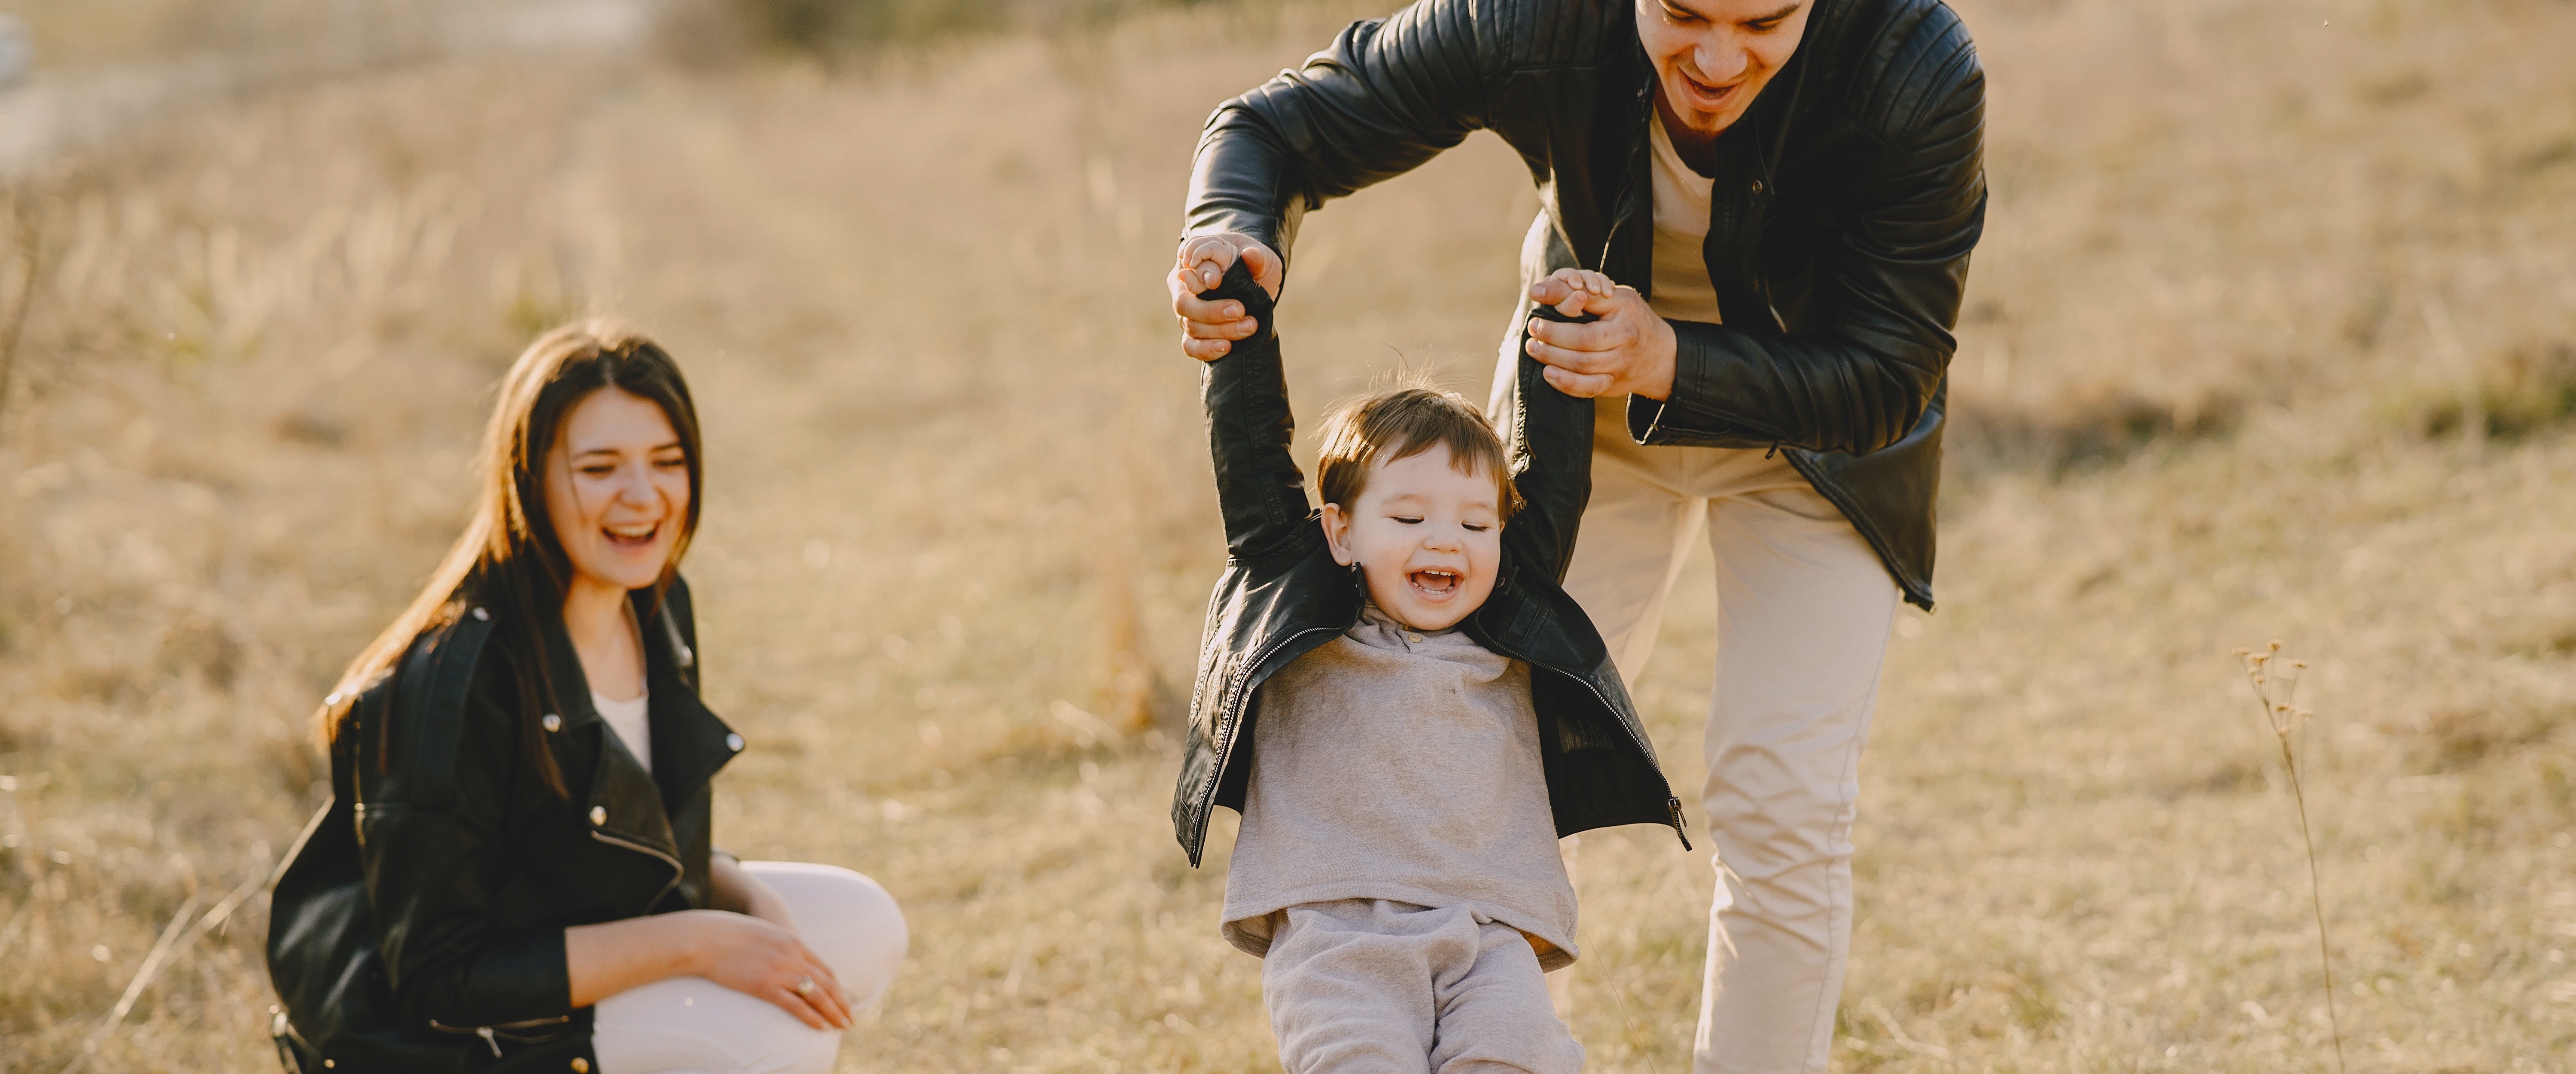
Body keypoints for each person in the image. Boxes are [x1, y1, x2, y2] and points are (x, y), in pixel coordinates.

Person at [1166, 1, 1986, 1071]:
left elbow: (1890, 373)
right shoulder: (1535, 15)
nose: (1717, 56)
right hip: (1577, 421)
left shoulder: (1913, 64)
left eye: (1764, 19)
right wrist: (1225, 228)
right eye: (1683, 12)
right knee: (1486, 759)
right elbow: (1275, 127)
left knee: (1780, 800)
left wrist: (1671, 360)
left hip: (1816, 442)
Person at [265, 322, 907, 1074]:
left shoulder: (656, 605)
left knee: (864, 924)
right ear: (529, 480)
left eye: (667, 462)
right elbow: (440, 982)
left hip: (591, 940)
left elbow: (623, 844)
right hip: (465, 1041)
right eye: (599, 468)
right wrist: (699, 941)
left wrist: (748, 908)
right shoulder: (454, 680)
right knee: (775, 1036)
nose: (643, 497)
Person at [1170, 261, 1687, 1073]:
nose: (1445, 539)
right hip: (1336, 938)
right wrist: (1240, 326)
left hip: (1488, 937)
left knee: (1515, 1058)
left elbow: (1551, 476)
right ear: (1340, 533)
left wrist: (1559, 331)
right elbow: (1251, 461)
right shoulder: (1306, 610)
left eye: (1475, 524)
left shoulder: (1508, 620)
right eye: (1408, 516)